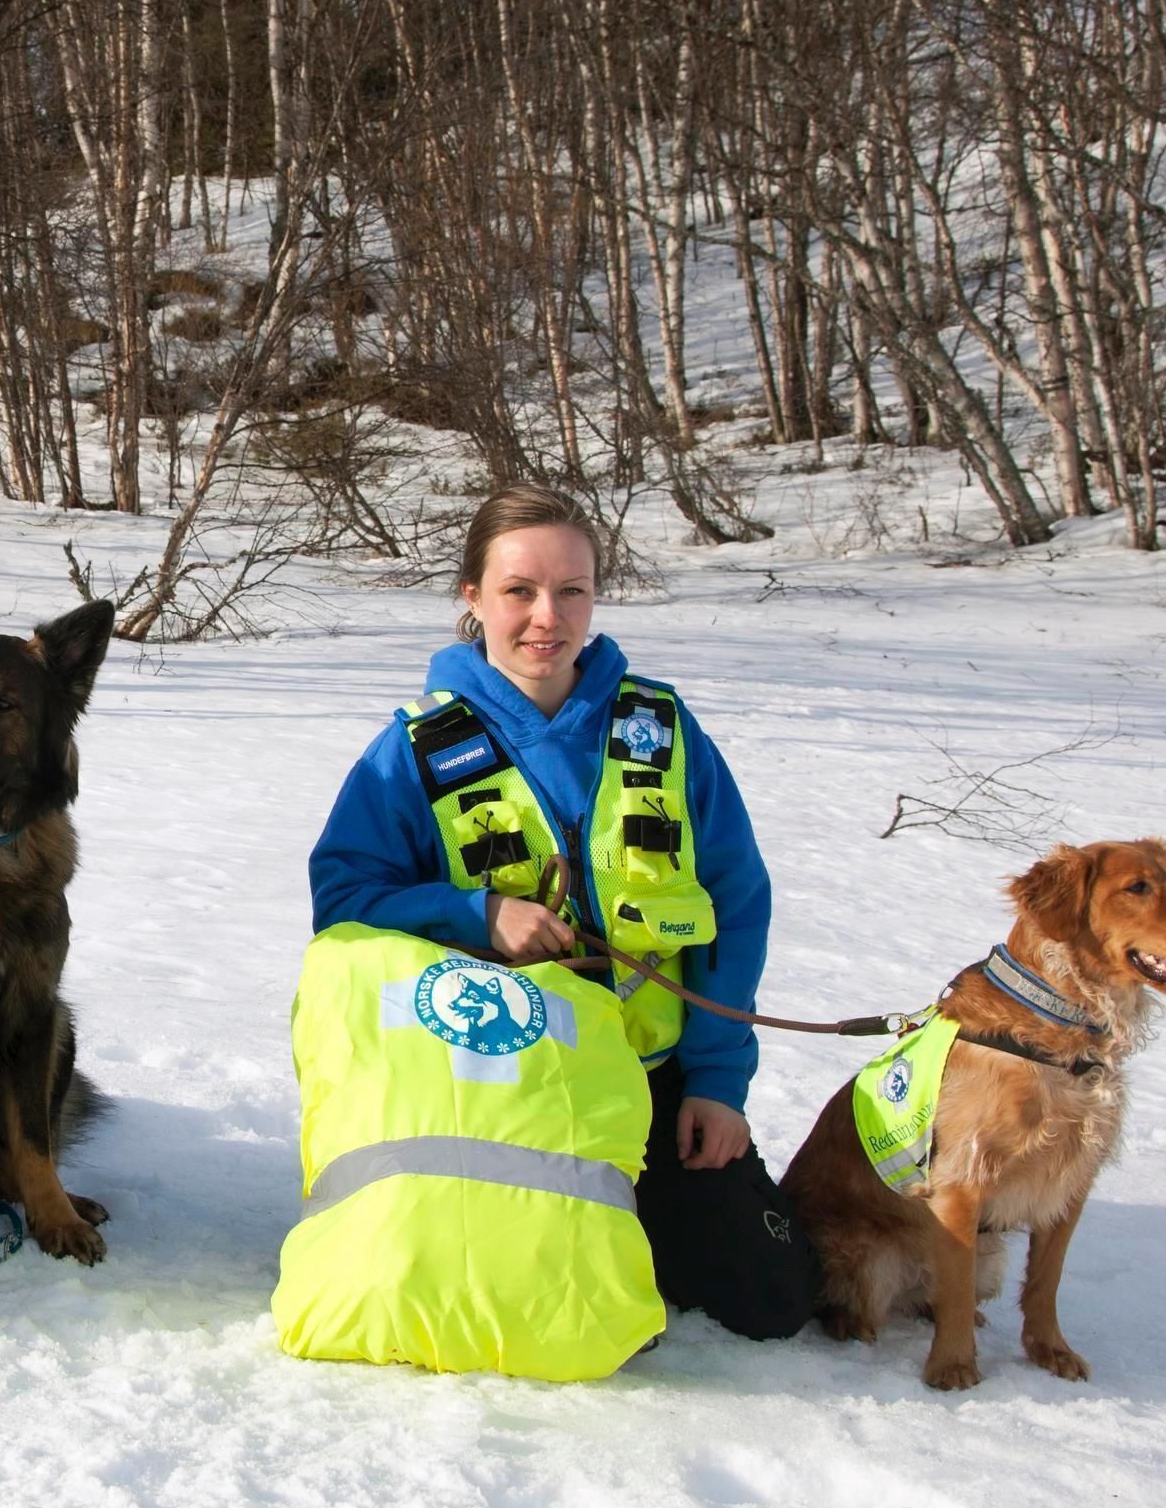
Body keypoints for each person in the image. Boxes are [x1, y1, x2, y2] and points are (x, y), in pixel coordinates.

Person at [306, 482, 819, 1339]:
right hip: (501, 1088)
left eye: (570, 590)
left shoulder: (661, 729)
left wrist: (717, 1084)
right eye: (519, 590)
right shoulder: (414, 747)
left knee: (772, 1300)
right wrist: (474, 913)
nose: (547, 617)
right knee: (530, 1303)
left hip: (656, 1083)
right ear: (473, 597)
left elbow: (735, 904)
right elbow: (343, 901)